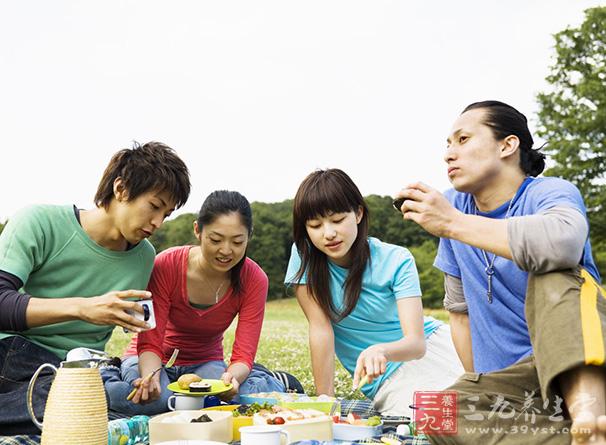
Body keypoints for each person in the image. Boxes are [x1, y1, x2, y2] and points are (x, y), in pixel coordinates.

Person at [395, 100, 606, 444]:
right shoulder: (455, 209)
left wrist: (451, 222)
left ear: (508, 145)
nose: (449, 154)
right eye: (447, 145)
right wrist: (481, 387)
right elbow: (459, 313)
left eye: (462, 140)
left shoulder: (548, 192)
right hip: (515, 384)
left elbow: (563, 244)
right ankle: (585, 438)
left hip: (577, 363)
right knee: (436, 413)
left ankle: (589, 412)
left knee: (552, 270)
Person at [0, 141, 190, 435]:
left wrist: (150, 374)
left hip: (80, 370)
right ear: (121, 189)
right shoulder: (39, 222)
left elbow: (144, 327)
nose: (157, 222)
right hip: (15, 352)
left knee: (157, 402)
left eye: (166, 214)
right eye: (154, 206)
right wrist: (84, 308)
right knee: (77, 407)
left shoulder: (145, 256)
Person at [284, 169, 464, 418]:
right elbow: (320, 328)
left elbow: (416, 343)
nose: (328, 233)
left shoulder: (396, 259)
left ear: (358, 213)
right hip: (386, 378)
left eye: (337, 220)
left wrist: (380, 350)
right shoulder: (303, 256)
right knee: (446, 420)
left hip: (436, 346)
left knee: (505, 404)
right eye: (315, 225)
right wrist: (326, 401)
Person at [104, 190, 287, 416]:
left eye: (238, 241)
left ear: (249, 236)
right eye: (216, 240)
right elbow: (149, 342)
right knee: (157, 401)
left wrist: (232, 378)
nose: (226, 251)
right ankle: (106, 380)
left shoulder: (254, 279)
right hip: (152, 358)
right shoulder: (166, 265)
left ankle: (261, 379)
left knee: (217, 402)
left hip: (205, 362)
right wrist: (149, 377)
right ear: (198, 231)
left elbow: (242, 355)